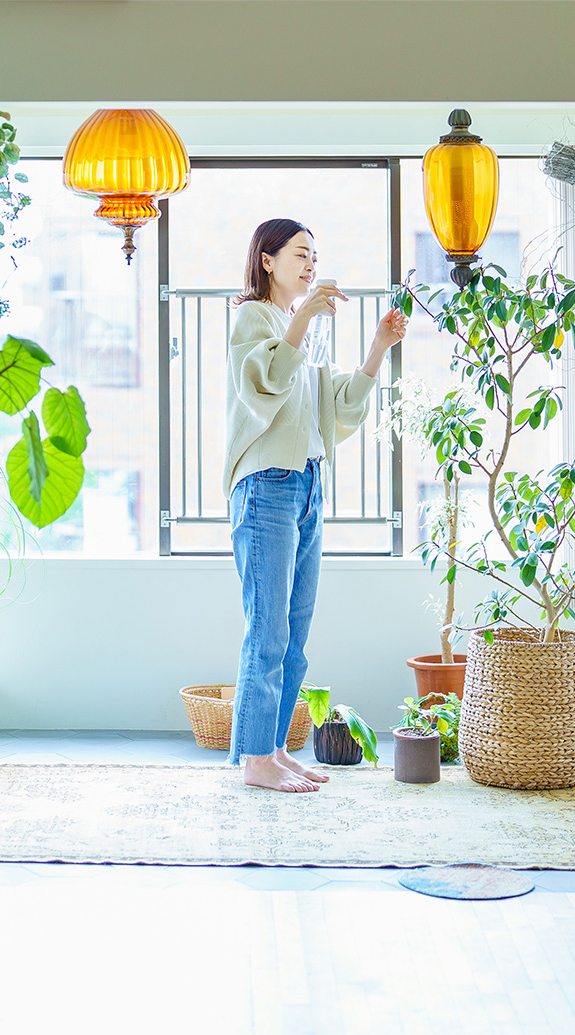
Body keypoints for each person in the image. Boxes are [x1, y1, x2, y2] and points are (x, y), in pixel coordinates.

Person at [223, 218, 407, 792]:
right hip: (267, 487)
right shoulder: (254, 318)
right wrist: (302, 320)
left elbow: (339, 406)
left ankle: (272, 750)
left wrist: (378, 347)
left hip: (306, 485)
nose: (310, 264)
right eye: (300, 254)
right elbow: (270, 380)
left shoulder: (298, 328)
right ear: (268, 260)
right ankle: (255, 760)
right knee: (268, 632)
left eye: (314, 255)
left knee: (294, 637)